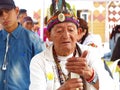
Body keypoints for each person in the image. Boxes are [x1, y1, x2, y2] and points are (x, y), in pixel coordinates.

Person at [29, 1, 115, 90]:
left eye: (70, 30)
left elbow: (112, 87)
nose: (66, 36)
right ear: (49, 35)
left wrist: (91, 75)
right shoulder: (39, 61)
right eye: (59, 31)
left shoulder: (90, 54)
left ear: (78, 33)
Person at [0, 0, 45, 90]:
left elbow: (44, 71)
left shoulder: (33, 40)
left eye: (7, 11)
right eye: (0, 13)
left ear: (16, 11)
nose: (4, 16)